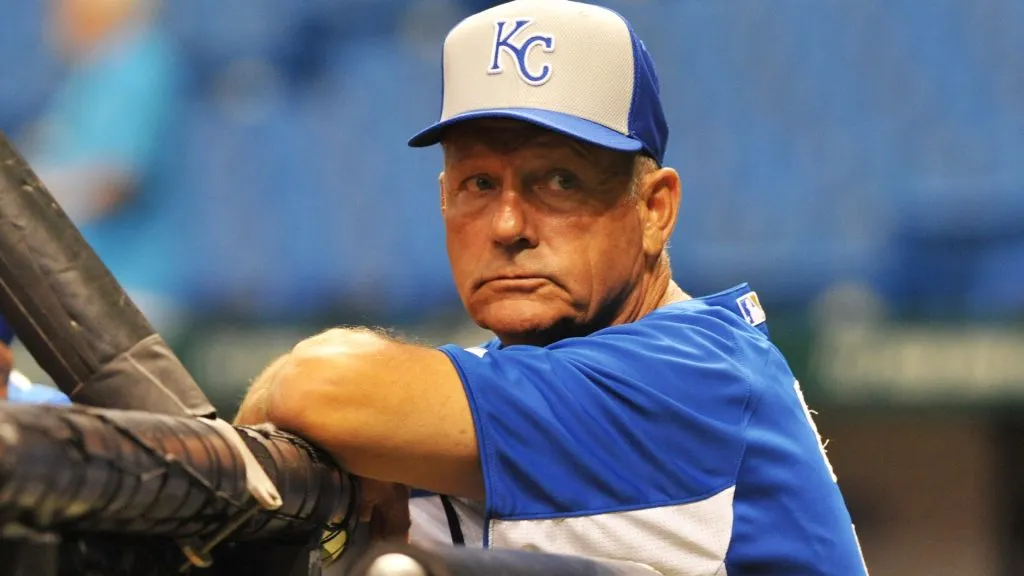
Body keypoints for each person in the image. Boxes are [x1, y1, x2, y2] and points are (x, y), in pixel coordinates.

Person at [232, 1, 869, 573]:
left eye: (559, 180)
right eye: (479, 183)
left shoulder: (693, 376)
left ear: (654, 210)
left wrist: (347, 423)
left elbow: (319, 388)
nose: (508, 225)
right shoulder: (470, 396)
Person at [26, 0, 188, 338]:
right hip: (84, 290)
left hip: (127, 295)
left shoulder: (137, 63)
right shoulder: (92, 72)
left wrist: (27, 204)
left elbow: (114, 184)